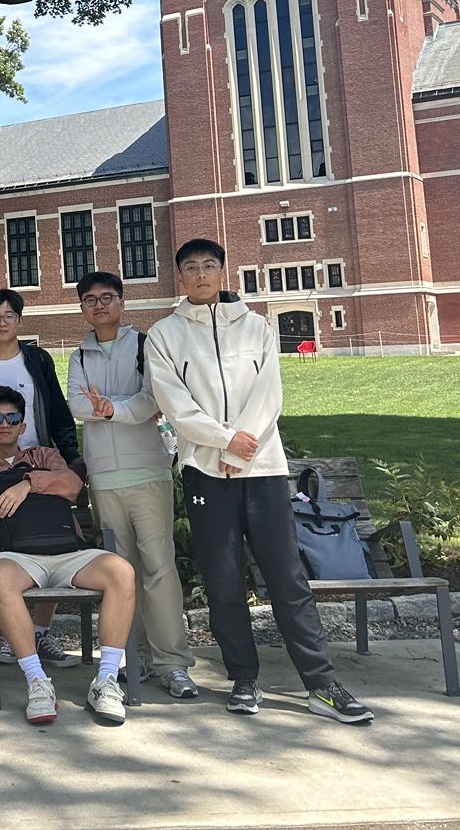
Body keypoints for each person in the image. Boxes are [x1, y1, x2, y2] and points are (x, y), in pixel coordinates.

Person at [145, 237, 374, 725]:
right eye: (191, 267)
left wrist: (242, 446)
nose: (201, 274)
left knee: (287, 577)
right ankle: (244, 677)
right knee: (223, 579)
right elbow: (174, 404)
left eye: (210, 265)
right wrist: (225, 443)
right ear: (179, 276)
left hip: (264, 468)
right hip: (206, 469)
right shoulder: (163, 335)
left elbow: (270, 392)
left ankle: (321, 683)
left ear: (223, 271)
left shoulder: (256, 328)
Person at [0, 385, 136, 726]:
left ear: (23, 425)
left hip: (68, 552)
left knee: (122, 572)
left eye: (12, 417)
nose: (5, 424)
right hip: (16, 557)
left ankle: (107, 681)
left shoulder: (43, 455)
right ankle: (38, 682)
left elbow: (71, 484)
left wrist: (27, 484)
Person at [67, 270, 199, 701]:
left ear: (122, 303)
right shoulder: (79, 357)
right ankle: (130, 657)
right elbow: (76, 402)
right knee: (120, 573)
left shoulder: (145, 346)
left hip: (148, 473)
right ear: (82, 308)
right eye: (90, 300)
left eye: (108, 297)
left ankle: (173, 663)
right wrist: (107, 408)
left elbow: (152, 400)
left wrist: (111, 410)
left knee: (159, 569)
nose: (99, 305)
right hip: (104, 478)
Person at [0, 287, 79, 666]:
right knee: (7, 539)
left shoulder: (36, 359)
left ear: (20, 320)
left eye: (9, 314)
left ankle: (38, 632)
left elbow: (56, 410)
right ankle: (18, 635)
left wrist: (68, 457)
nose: (2, 321)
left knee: (48, 535)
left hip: (38, 465)